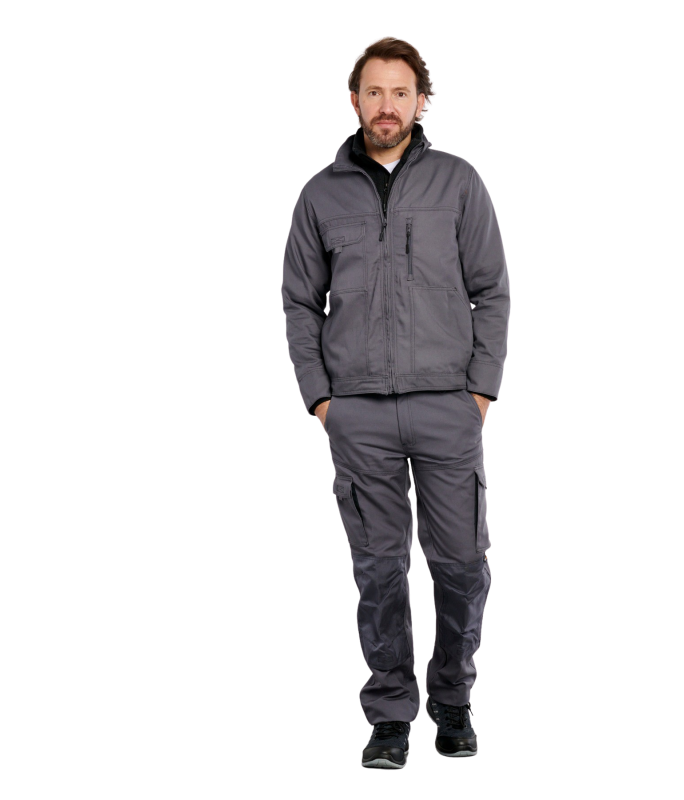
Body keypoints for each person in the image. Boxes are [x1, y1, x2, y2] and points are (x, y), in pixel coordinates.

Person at [281, 36, 510, 769]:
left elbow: (492, 289)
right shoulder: (319, 194)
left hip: (448, 407)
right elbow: (300, 303)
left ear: (423, 102)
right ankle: (388, 713)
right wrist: (322, 399)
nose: (387, 106)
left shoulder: (460, 182)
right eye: (374, 92)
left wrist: (479, 392)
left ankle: (452, 698)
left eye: (400, 93)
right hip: (359, 415)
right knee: (378, 572)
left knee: (462, 564)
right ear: (354, 101)